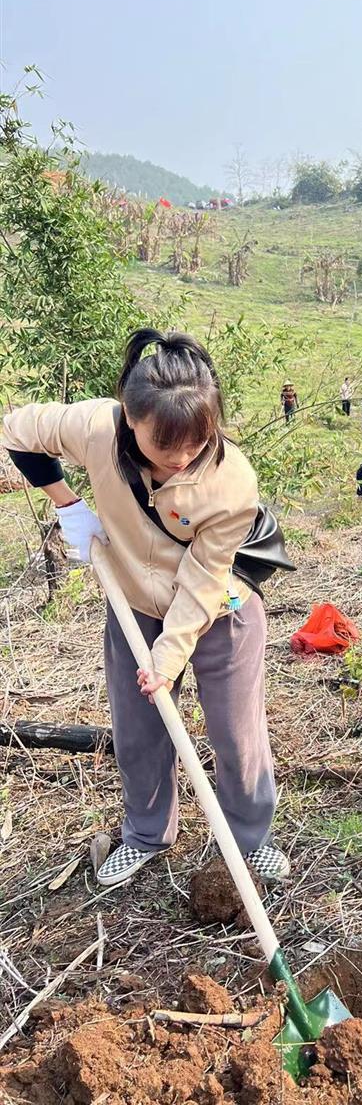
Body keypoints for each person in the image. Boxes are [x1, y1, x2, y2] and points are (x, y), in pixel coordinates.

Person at [2, 330, 289, 887]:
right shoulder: (94, 428)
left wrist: (168, 656)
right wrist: (68, 504)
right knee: (138, 729)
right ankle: (145, 833)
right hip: (134, 599)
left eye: (196, 444)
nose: (182, 461)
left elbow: (206, 577)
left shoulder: (232, 482)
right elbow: (16, 431)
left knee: (236, 731)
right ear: (130, 418)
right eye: (167, 446)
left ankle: (250, 839)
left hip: (218, 607)